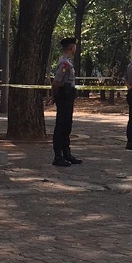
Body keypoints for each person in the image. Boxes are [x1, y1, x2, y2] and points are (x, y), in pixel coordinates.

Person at [50, 37, 81, 166]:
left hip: (68, 95)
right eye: (74, 46)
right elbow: (56, 82)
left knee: (67, 124)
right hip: (64, 94)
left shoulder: (68, 61)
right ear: (71, 47)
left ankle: (66, 153)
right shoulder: (64, 63)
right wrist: (54, 96)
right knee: (61, 125)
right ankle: (58, 156)